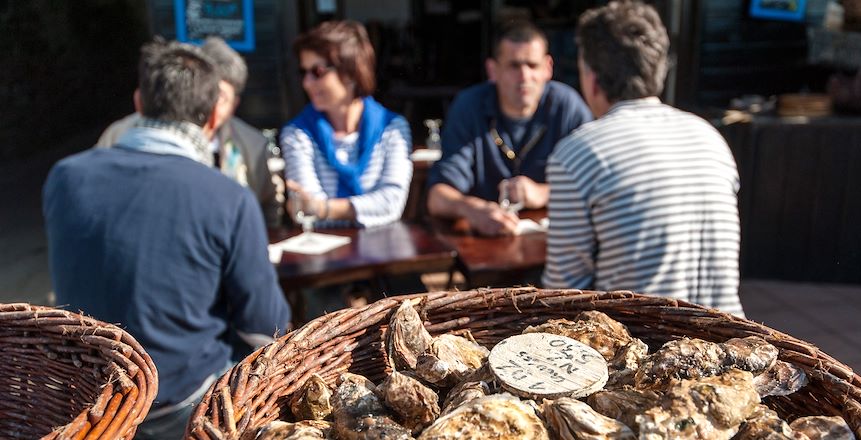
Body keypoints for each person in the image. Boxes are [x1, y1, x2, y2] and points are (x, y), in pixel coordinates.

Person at [44, 39, 290, 439]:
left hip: (88, 401)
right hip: (188, 404)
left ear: (139, 101)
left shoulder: (64, 178)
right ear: (213, 116)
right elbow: (266, 325)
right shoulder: (227, 198)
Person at [542, 2, 744, 316]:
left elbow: (564, 295)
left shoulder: (579, 153)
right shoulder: (709, 137)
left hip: (646, 351)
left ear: (592, 78)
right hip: (732, 341)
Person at [426, 22, 592, 236]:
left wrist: (543, 193)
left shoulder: (568, 107)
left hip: (557, 241)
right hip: (487, 242)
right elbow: (437, 197)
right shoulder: (469, 106)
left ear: (547, 68)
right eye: (514, 66)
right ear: (492, 70)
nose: (524, 77)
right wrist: (472, 209)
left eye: (532, 65)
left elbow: (594, 185)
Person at [96, 37, 282, 226]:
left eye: (221, 97)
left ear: (235, 104)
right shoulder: (121, 135)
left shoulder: (253, 145)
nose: (210, 103)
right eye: (208, 93)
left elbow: (269, 208)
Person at [281, 21, 412, 228]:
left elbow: (392, 203)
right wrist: (360, 209)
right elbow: (307, 213)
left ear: (351, 72)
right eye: (303, 72)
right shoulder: (296, 133)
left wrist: (325, 209)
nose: (306, 83)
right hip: (324, 253)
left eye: (317, 72)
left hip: (384, 253)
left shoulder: (393, 128)